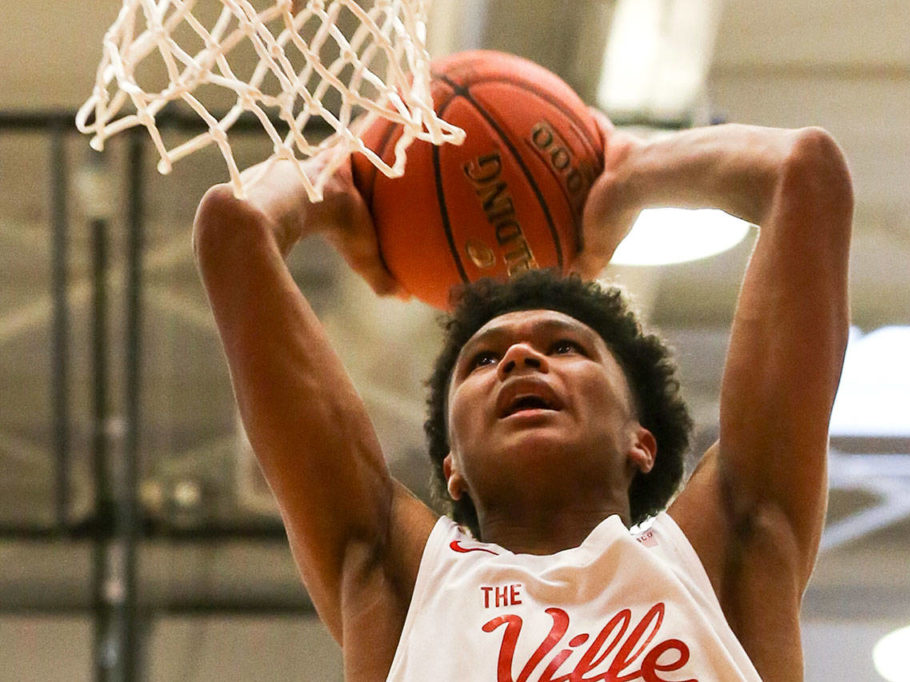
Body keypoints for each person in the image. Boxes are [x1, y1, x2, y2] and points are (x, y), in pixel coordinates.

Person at [193, 116, 853, 681]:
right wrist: (334, 176)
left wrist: (629, 166)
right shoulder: (399, 577)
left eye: (567, 347)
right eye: (483, 361)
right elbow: (235, 226)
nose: (519, 358)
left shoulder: (726, 552)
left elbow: (805, 172)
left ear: (640, 441)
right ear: (451, 465)